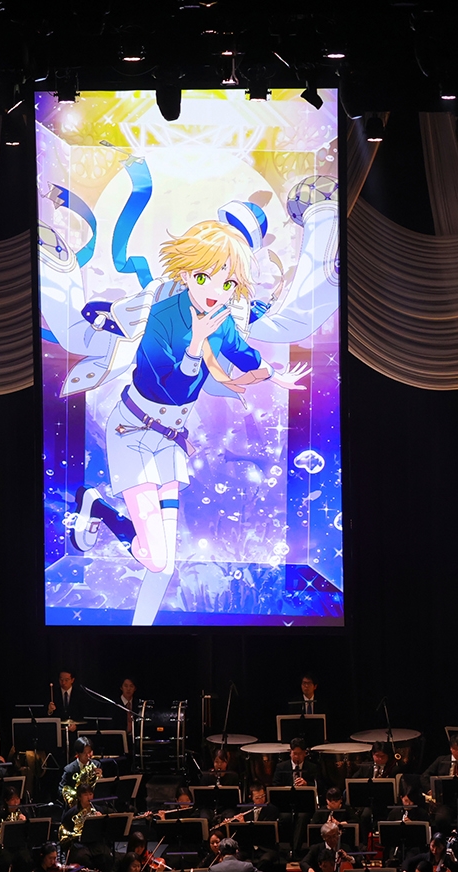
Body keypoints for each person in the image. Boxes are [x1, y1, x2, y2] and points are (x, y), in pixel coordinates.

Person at [62, 219, 309, 626]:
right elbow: (169, 386)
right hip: (133, 434)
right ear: (186, 272)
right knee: (158, 560)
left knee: (163, 564)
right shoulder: (161, 318)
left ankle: (139, 631)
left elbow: (240, 350)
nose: (215, 291)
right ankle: (101, 509)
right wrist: (195, 345)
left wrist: (272, 374)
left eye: (228, 283)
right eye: (204, 277)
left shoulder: (220, 317)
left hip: (170, 441)